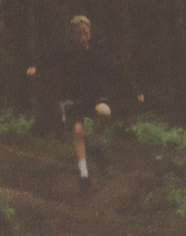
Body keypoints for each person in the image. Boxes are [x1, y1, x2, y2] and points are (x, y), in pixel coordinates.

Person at [26, 15, 144, 192]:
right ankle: (84, 174)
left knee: (105, 113)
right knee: (77, 131)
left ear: (90, 33)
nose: (83, 37)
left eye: (86, 33)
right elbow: (49, 60)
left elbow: (115, 72)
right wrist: (36, 68)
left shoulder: (97, 54)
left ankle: (93, 141)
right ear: (73, 35)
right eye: (79, 33)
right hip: (71, 99)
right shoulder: (66, 52)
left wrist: (135, 91)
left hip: (92, 98)